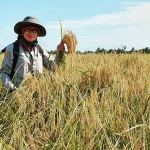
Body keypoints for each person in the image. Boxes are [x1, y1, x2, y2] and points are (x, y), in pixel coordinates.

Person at [0, 16, 65, 91]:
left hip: (37, 95)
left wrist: (60, 53)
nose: (31, 32)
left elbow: (53, 68)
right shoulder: (12, 48)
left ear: (37, 34)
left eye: (34, 30)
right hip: (18, 95)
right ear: (22, 32)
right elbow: (4, 73)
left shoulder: (40, 49)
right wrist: (13, 89)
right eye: (28, 29)